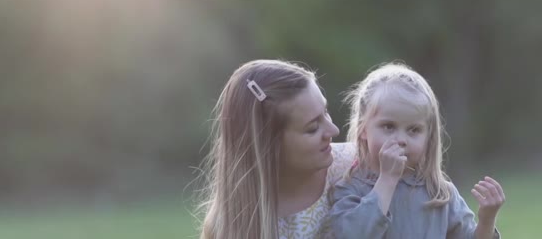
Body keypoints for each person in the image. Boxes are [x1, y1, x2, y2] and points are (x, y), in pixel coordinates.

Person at [330, 62, 505, 238]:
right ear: (363, 130)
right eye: (389, 126)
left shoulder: (439, 193)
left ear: (428, 137)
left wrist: (487, 220)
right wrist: (387, 180)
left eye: (414, 130)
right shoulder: (351, 188)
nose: (401, 139)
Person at [197, 59, 355, 239]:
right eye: (312, 128)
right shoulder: (229, 227)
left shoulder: (358, 170)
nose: (334, 130)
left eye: (325, 111)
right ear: (270, 147)